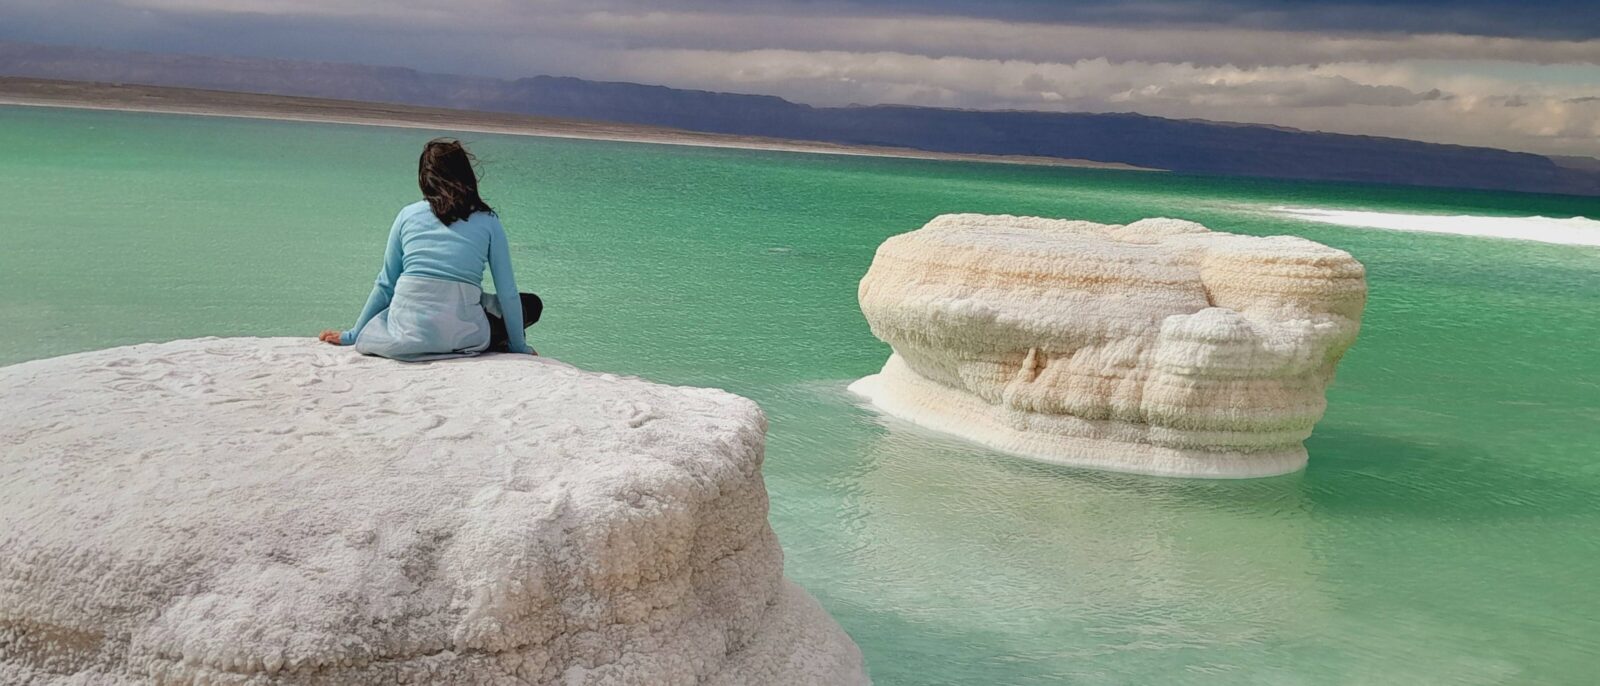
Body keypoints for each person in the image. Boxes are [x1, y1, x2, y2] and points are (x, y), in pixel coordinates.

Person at [319, 138, 540, 361]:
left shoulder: (406, 215)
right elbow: (508, 293)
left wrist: (353, 334)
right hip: (462, 335)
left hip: (406, 333)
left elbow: (386, 284)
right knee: (530, 305)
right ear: (467, 176)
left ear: (424, 179)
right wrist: (519, 347)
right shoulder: (488, 220)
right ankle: (502, 340)